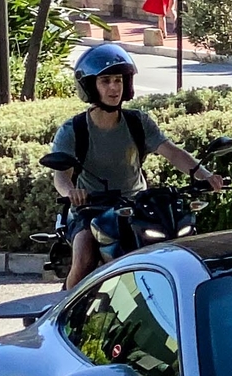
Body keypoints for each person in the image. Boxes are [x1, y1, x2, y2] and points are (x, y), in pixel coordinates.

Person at [46, 42, 223, 291]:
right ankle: (62, 311)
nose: (113, 87)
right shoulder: (73, 130)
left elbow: (171, 152)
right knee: (85, 255)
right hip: (92, 209)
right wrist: (72, 193)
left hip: (137, 206)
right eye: (105, 81)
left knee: (180, 249)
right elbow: (60, 176)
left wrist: (205, 176)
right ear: (90, 87)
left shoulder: (138, 122)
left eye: (118, 80)